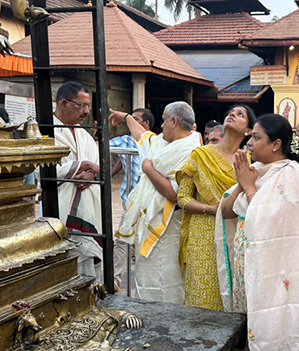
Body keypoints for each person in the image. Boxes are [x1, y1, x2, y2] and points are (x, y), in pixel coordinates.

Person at [216, 114, 299, 351]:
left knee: (272, 325)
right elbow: (226, 212)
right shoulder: (256, 170)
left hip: (276, 272)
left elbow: (270, 225)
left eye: (256, 138)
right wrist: (242, 182)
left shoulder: (291, 174)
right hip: (250, 268)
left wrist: (248, 187)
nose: (249, 143)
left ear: (276, 144)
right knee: (250, 326)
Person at [110, 101, 201, 304]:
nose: (160, 126)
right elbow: (143, 137)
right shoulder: (163, 143)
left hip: (169, 226)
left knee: (168, 281)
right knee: (146, 276)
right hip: (149, 223)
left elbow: (172, 193)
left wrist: (148, 169)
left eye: (163, 121)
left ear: (174, 122)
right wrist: (126, 118)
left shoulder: (191, 150)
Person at [176, 105, 256, 311]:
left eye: (240, 115)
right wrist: (212, 210)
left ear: (249, 131)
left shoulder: (249, 162)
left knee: (231, 290)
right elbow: (183, 198)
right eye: (230, 112)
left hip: (234, 233)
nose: (232, 115)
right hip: (203, 232)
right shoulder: (200, 155)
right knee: (201, 291)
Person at [47, 81, 103, 279]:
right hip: (60, 208)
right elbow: (45, 171)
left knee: (87, 267)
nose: (86, 111)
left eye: (88, 106)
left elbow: (98, 167)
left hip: (89, 208)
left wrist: (92, 175)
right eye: (81, 105)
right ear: (63, 103)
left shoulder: (85, 136)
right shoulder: (46, 131)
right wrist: (84, 165)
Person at [110, 108, 155, 292]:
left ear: (146, 124)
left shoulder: (153, 142)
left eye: (135, 120)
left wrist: (125, 117)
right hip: (131, 201)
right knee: (122, 239)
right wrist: (104, 175)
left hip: (149, 201)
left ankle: (145, 284)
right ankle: (115, 280)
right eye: (131, 118)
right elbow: (119, 157)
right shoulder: (125, 141)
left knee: (144, 239)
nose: (130, 123)